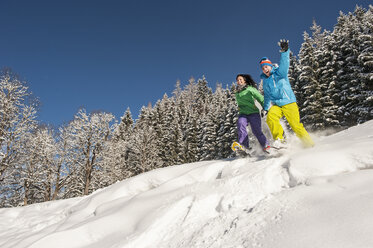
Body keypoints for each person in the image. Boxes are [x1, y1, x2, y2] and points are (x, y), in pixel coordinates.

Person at [259, 39, 314, 148]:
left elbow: (285, 64)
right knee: (271, 117)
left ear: (270, 66)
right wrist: (265, 108)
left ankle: (309, 144)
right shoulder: (266, 81)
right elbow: (268, 96)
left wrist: (285, 52)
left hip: (289, 102)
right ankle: (280, 141)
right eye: (263, 68)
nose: (265, 69)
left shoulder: (280, 73)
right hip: (277, 105)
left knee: (295, 125)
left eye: (266, 66)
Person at [234, 74, 271, 153]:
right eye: (237, 80)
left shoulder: (250, 89)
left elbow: (260, 98)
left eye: (240, 79)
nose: (239, 81)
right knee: (241, 125)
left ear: (244, 80)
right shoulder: (237, 92)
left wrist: (265, 108)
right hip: (243, 113)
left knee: (256, 131)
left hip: (253, 112)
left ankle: (265, 145)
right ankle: (244, 146)